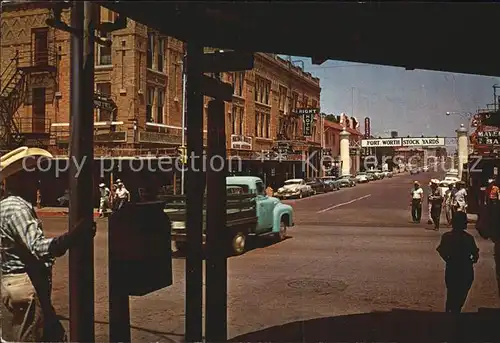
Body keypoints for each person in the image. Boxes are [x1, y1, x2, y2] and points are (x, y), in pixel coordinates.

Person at [0, 147, 96, 342]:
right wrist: (72, 237)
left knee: (54, 336)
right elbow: (37, 247)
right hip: (25, 284)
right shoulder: (16, 208)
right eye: (32, 176)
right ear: (17, 179)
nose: (37, 181)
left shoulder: (13, 204)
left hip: (25, 284)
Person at [437, 211, 479, 313]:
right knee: (461, 293)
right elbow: (475, 253)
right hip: (465, 268)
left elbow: (441, 250)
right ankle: (455, 311)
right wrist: (473, 260)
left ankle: (450, 312)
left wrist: (448, 259)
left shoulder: (447, 236)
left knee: (451, 292)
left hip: (452, 267)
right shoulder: (468, 238)